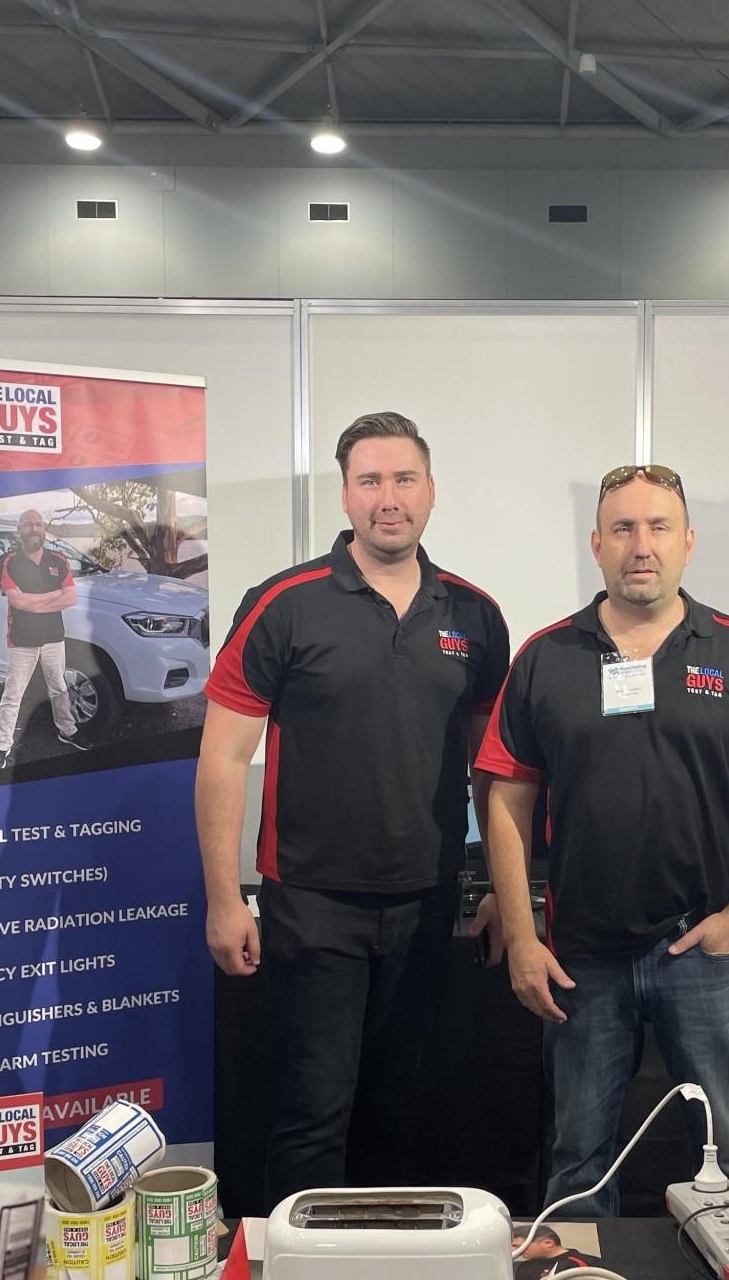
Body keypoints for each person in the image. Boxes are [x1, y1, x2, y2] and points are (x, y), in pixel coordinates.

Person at [477, 464, 729, 1214]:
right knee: (578, 1165)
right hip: (580, 958)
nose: (641, 545)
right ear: (597, 544)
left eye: (659, 527)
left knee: (727, 1160)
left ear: (687, 542)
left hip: (702, 950)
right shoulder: (546, 656)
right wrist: (525, 936)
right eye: (623, 528)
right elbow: (507, 800)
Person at [197, 412, 510, 1208]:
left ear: (430, 491)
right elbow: (222, 758)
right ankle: (297, 1278)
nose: (387, 498)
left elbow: (495, 772)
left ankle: (375, 1268)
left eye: (404, 479)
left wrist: (504, 895)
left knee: (393, 1108)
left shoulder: (474, 615)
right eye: (369, 481)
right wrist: (224, 899)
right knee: (311, 1115)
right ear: (344, 495)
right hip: (311, 904)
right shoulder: (283, 604)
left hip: (426, 900)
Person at [0, 509, 88, 769]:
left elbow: (70, 598)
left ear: (44, 529)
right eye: (28, 525)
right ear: (19, 530)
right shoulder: (8, 561)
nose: (33, 528)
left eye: (38, 524)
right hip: (22, 639)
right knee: (13, 694)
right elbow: (17, 602)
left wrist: (32, 601)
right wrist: (53, 596)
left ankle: (67, 730)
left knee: (59, 688)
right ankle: (1, 746)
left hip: (54, 637)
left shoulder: (58, 559)